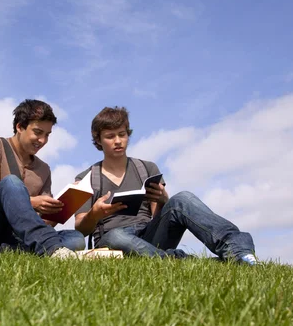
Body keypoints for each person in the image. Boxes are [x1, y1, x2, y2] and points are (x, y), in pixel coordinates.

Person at [74, 106, 258, 264]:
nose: (118, 141)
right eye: (110, 136)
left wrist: (163, 200)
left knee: (183, 198)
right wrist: (95, 214)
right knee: (115, 236)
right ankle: (176, 260)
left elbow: (157, 217)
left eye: (122, 134)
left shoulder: (147, 168)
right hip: (113, 241)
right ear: (98, 140)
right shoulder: (86, 178)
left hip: (148, 234)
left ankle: (239, 252)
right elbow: (81, 229)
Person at [0, 99, 85, 259]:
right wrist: (34, 203)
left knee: (76, 239)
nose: (42, 140)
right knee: (11, 182)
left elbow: (41, 224)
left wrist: (59, 209)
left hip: (17, 234)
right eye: (37, 132)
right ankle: (52, 250)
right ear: (19, 126)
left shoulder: (44, 169)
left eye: (47, 135)